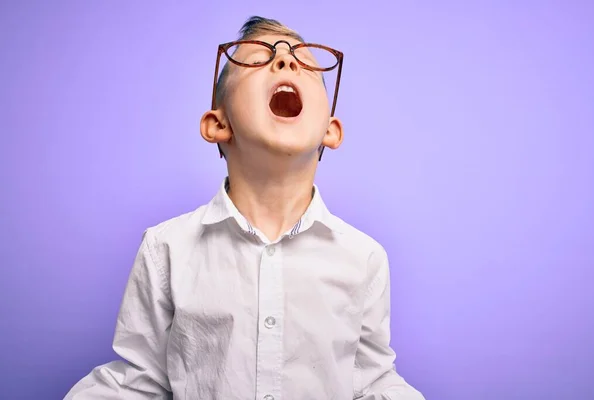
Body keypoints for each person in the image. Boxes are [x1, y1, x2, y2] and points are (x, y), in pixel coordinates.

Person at [64, 15, 425, 400]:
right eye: (257, 59)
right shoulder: (165, 249)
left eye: (304, 60)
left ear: (330, 130)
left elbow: (370, 380)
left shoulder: (364, 258)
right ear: (217, 124)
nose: (285, 61)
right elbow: (140, 382)